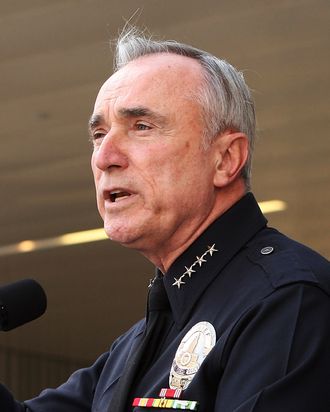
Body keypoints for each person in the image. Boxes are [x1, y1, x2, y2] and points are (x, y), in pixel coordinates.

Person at [1, 27, 329, 412]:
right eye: (99, 133)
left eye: (141, 127)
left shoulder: (288, 302)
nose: (105, 156)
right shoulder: (138, 343)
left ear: (225, 159)